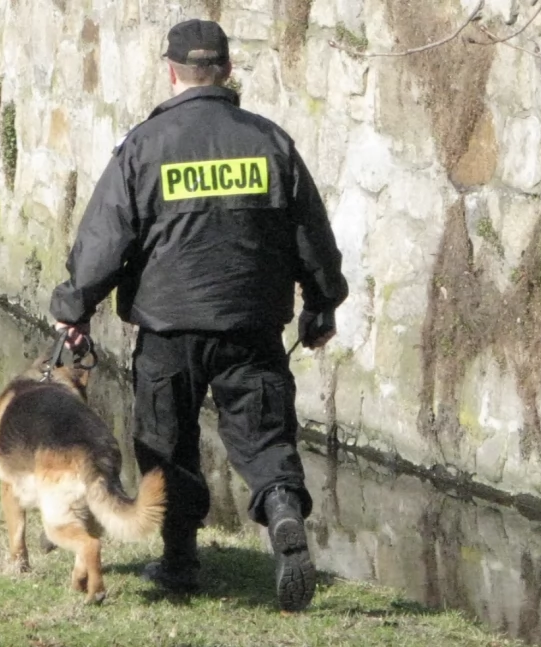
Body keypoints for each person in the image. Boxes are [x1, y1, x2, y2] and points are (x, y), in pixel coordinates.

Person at [47, 18, 348, 612]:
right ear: (229, 71)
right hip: (251, 323)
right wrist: (322, 302)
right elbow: (311, 234)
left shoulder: (144, 145)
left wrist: (73, 307)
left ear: (171, 71)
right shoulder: (270, 142)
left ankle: (181, 562)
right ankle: (283, 509)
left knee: (167, 444)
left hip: (169, 327)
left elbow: (107, 236)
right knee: (263, 435)